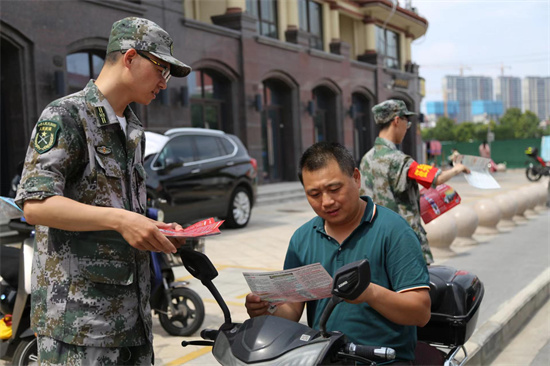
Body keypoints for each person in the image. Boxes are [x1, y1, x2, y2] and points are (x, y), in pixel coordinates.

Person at [15, 17, 192, 365]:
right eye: (161, 69)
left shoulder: (132, 129)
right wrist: (122, 220)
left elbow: (122, 213)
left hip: (133, 322)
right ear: (129, 58)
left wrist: (153, 230)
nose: (164, 83)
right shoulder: (67, 115)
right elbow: (36, 205)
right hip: (79, 327)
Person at [245, 142, 431, 364]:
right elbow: (292, 311)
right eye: (314, 194)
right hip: (323, 358)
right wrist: (266, 311)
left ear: (356, 177)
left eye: (334, 189)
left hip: (385, 360)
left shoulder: (393, 230)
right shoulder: (302, 238)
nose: (326, 202)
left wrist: (370, 293)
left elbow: (420, 313)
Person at [359, 100, 470, 264]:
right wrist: (457, 169)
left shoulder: (366, 159)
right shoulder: (399, 160)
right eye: (407, 122)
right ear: (397, 120)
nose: (407, 127)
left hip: (375, 241)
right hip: (404, 242)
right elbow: (436, 178)